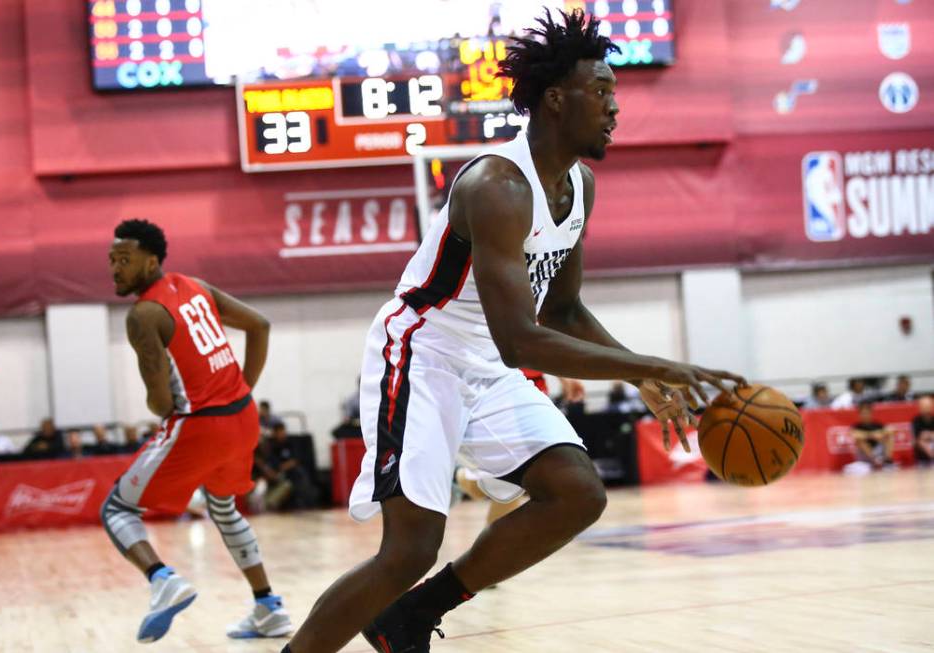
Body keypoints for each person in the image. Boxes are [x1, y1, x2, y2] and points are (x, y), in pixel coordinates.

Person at [281, 11, 745, 653]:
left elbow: (563, 310)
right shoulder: (496, 185)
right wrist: (657, 368)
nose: (615, 109)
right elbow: (522, 341)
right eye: (603, 93)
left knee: (577, 493)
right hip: (422, 352)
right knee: (409, 549)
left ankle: (410, 618)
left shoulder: (579, 183)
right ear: (557, 99)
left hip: (487, 360)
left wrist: (640, 371)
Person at [102, 219, 293, 643]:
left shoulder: (143, 315)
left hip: (201, 423)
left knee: (116, 510)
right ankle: (268, 607)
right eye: (112, 260)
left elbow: (160, 403)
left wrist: (177, 399)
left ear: (151, 261)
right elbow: (259, 325)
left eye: (125, 259)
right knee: (223, 507)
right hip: (243, 417)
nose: (115, 268)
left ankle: (162, 579)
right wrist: (240, 390)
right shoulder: (195, 285)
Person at [255, 421, 318, 510]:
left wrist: (282, 467)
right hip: (273, 476)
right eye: (280, 432)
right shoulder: (269, 448)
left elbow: (296, 460)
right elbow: (273, 466)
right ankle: (266, 504)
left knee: (298, 475)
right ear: (275, 433)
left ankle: (306, 502)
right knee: (264, 484)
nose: (282, 434)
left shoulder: (291, 443)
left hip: (286, 474)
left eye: (283, 432)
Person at [851, 403, 895, 470]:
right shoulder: (857, 426)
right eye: (863, 413)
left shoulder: (877, 424)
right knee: (860, 441)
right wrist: (871, 435)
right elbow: (854, 435)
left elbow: (891, 430)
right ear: (859, 415)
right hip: (865, 454)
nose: (865, 415)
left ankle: (887, 460)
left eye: (866, 413)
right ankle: (874, 461)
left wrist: (881, 434)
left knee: (889, 438)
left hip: (878, 450)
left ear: (871, 413)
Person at [912, 396, 934, 466]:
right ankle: (931, 458)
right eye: (924, 406)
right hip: (922, 451)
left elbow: (925, 435)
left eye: (927, 406)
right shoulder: (916, 421)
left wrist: (929, 435)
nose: (926, 408)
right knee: (921, 441)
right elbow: (917, 438)